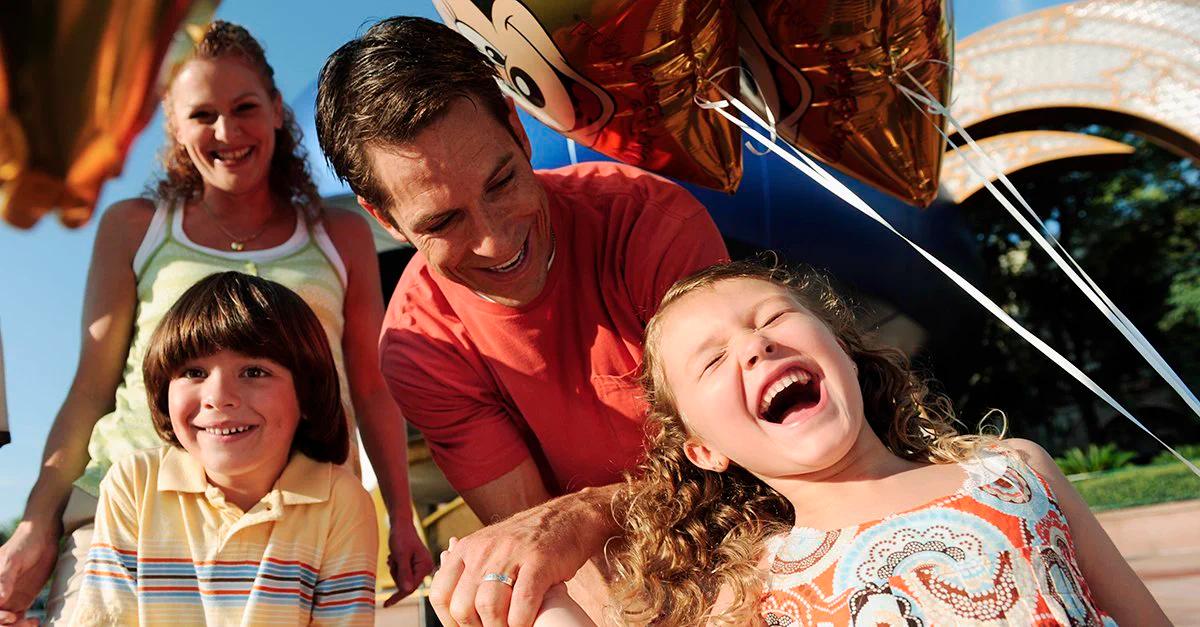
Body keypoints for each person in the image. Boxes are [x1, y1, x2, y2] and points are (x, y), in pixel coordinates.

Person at [0, 22, 429, 627]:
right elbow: (90, 389)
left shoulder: (340, 235)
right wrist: (35, 525)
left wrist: (403, 520)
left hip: (297, 522)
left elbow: (370, 386)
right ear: (173, 126)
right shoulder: (136, 226)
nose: (227, 131)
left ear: (278, 111)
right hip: (128, 513)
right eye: (202, 114)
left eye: (245, 107)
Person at [314, 15, 728, 626]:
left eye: (502, 181)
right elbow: (542, 551)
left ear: (518, 127)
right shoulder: (421, 345)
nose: (493, 240)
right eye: (443, 222)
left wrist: (582, 515)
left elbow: (744, 468)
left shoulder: (652, 227)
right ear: (386, 221)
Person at [606, 260, 1169, 626]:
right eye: (712, 361)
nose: (755, 345)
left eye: (774, 317)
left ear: (845, 352)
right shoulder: (748, 594)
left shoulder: (1016, 467)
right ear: (704, 450)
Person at [74, 272, 377, 625]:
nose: (218, 398)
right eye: (193, 372)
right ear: (161, 391)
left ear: (307, 394)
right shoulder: (133, 484)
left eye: (253, 372)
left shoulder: (342, 501)